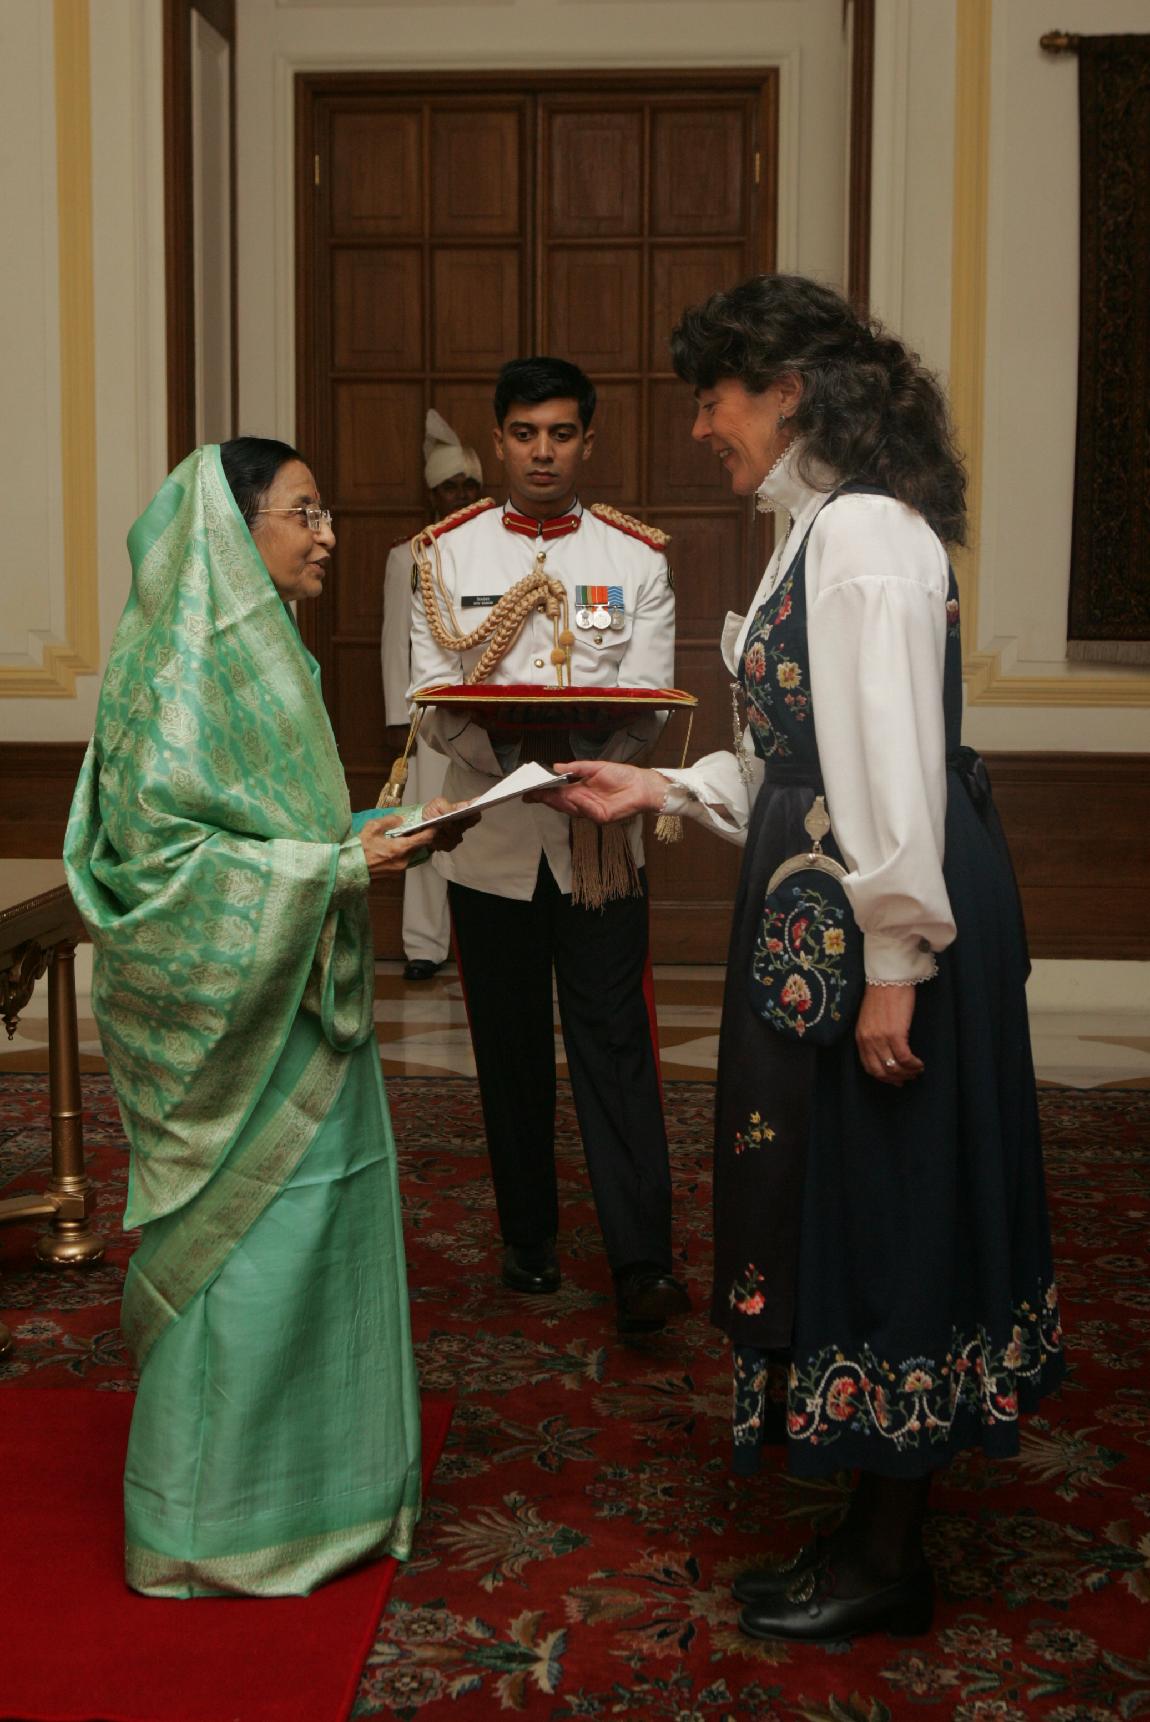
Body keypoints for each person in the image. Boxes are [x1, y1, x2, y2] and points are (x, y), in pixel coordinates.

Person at [536, 277, 1065, 1640]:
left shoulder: (866, 535)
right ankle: (868, 1519)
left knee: (885, 1199)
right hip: (832, 914)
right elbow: (795, 760)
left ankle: (887, 1556)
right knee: (844, 1189)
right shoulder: (820, 527)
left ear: (785, 391)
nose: (700, 427)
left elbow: (892, 764)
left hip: (877, 925)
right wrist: (659, 788)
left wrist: (894, 961)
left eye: (711, 398)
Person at [64, 437, 473, 1597]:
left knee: (314, 1247)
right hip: (232, 1026)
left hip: (297, 998)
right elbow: (162, 869)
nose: (327, 533)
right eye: (305, 511)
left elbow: (265, 832)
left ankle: (325, 1500)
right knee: (242, 1266)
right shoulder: (177, 670)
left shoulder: (270, 653)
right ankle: (207, 1529)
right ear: (231, 533)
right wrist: (337, 867)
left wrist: (366, 837)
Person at [407, 356, 689, 1336]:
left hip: (599, 845)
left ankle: (641, 1262)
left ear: (587, 442)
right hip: (490, 842)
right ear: (498, 440)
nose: (542, 452)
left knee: (617, 1049)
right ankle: (527, 1239)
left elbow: (650, 702)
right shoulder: (445, 556)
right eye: (524, 434)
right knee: (509, 1049)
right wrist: (521, 764)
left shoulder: (633, 560)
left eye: (561, 434)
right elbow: (432, 705)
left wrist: (588, 770)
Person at [382, 411, 483, 981]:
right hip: (429, 718)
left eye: (470, 486)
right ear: (433, 496)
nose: (461, 496)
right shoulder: (408, 557)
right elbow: (395, 644)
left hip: (486, 717)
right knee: (424, 826)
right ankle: (423, 944)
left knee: (485, 830)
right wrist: (399, 719)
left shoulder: (495, 551)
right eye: (450, 487)